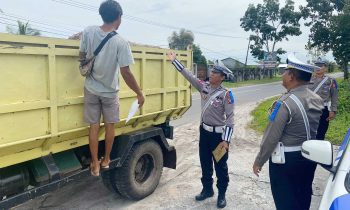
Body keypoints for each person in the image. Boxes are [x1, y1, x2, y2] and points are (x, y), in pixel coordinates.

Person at [79, 0, 144, 177]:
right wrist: (139, 93)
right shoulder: (121, 42)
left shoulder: (88, 31)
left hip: (91, 88)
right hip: (109, 93)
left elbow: (82, 55)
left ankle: (94, 164)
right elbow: (126, 72)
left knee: (93, 127)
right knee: (109, 127)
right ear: (118, 17)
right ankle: (106, 160)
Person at [253, 54, 324, 210]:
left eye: (285, 72)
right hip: (308, 157)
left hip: (286, 162)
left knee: (285, 200)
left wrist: (259, 160)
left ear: (291, 76)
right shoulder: (317, 99)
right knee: (302, 196)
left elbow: (271, 137)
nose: (283, 75)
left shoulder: (284, 103)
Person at [167, 52, 234, 208]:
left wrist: (226, 140)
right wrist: (174, 61)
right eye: (212, 71)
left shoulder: (226, 95)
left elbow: (230, 119)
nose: (212, 74)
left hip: (219, 137)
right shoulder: (203, 87)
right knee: (205, 163)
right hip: (204, 134)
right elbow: (188, 75)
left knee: (221, 166)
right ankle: (207, 189)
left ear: (222, 77)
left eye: (216, 72)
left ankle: (222, 194)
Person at [308, 58, 338, 140]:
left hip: (323, 109)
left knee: (321, 132)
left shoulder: (331, 80)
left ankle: (319, 149)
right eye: (316, 66)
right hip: (310, 108)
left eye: (320, 66)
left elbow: (334, 96)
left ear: (325, 67)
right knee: (309, 131)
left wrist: (333, 110)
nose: (318, 68)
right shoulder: (308, 79)